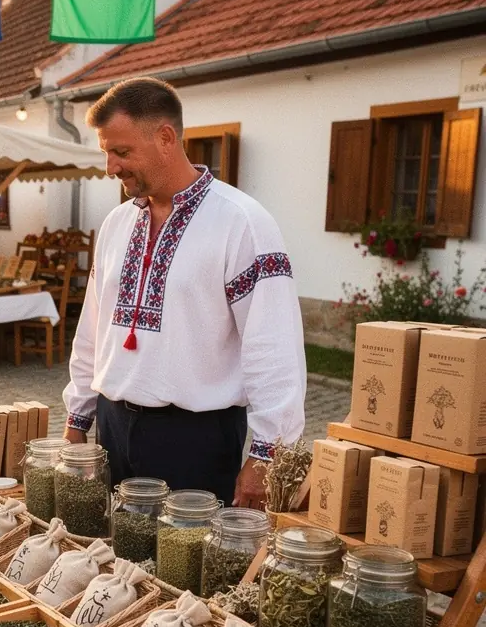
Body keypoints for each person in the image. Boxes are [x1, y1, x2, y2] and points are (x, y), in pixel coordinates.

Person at [63, 77, 306, 508]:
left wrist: (266, 454)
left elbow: (274, 347)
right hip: (113, 427)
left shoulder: (241, 223)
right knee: (115, 559)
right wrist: (77, 416)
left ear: (165, 138)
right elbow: (93, 330)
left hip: (196, 440)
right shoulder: (117, 224)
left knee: (185, 573)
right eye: (106, 152)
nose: (110, 167)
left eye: (121, 152)